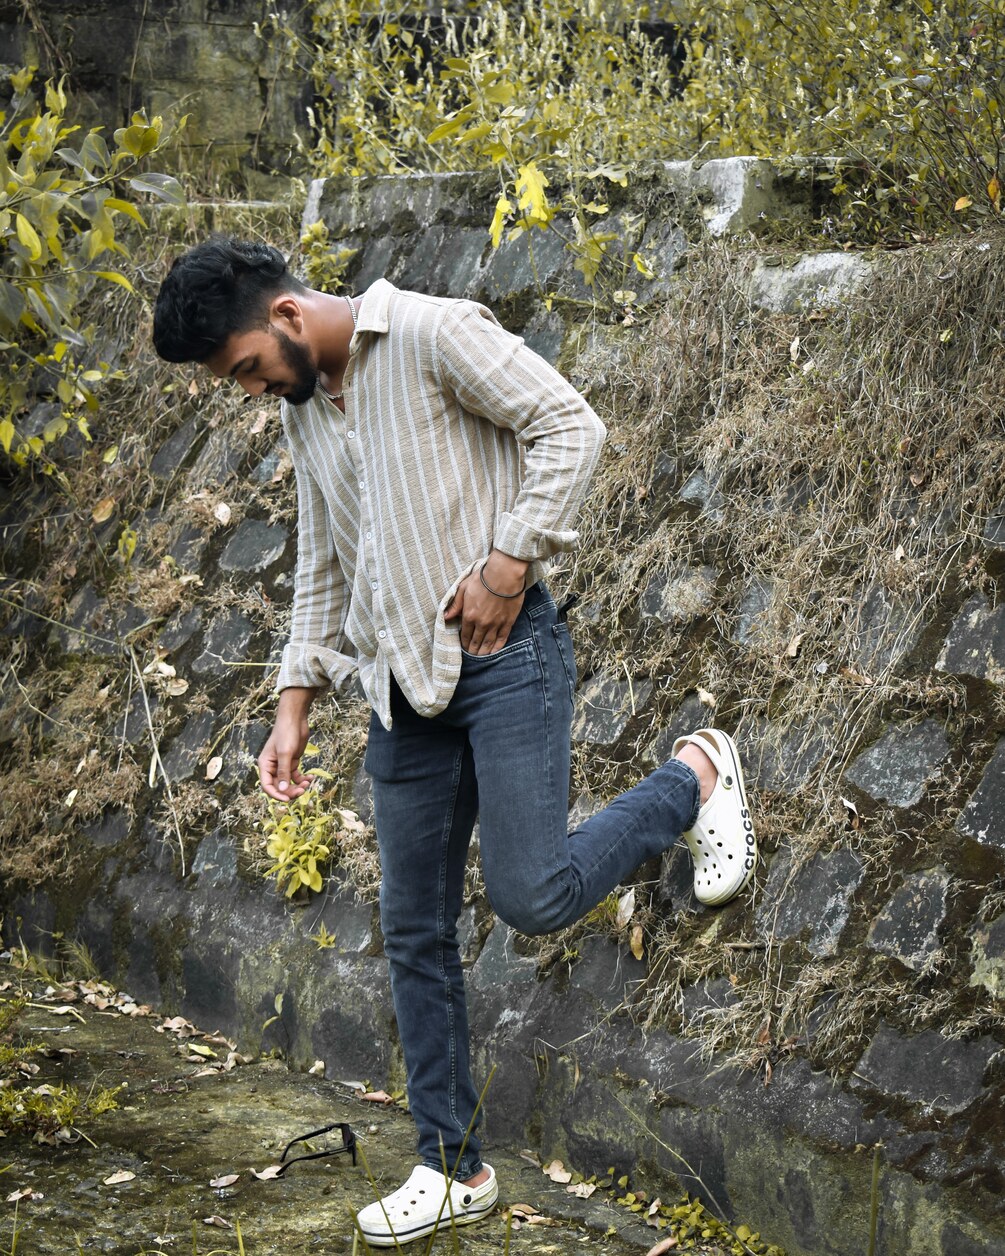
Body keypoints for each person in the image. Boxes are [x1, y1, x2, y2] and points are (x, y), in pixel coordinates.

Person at [152, 237, 757, 1247]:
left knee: (534, 895)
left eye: (248, 367)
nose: (253, 391)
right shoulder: (306, 409)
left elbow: (570, 425)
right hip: (399, 689)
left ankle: (693, 775)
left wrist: (508, 562)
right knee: (414, 931)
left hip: (508, 657)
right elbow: (322, 555)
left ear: (287, 316)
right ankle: (451, 1163)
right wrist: (293, 701)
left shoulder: (431, 333)